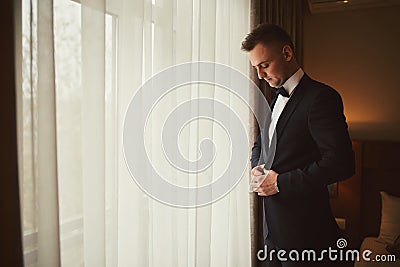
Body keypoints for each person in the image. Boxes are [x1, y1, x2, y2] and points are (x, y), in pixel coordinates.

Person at [242, 24, 355, 266]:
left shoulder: (321, 98)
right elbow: (260, 144)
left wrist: (280, 182)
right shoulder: (275, 98)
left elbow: (342, 163)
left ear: (287, 53)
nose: (260, 75)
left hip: (307, 237)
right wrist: (256, 167)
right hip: (272, 232)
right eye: (256, 68)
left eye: (264, 65)